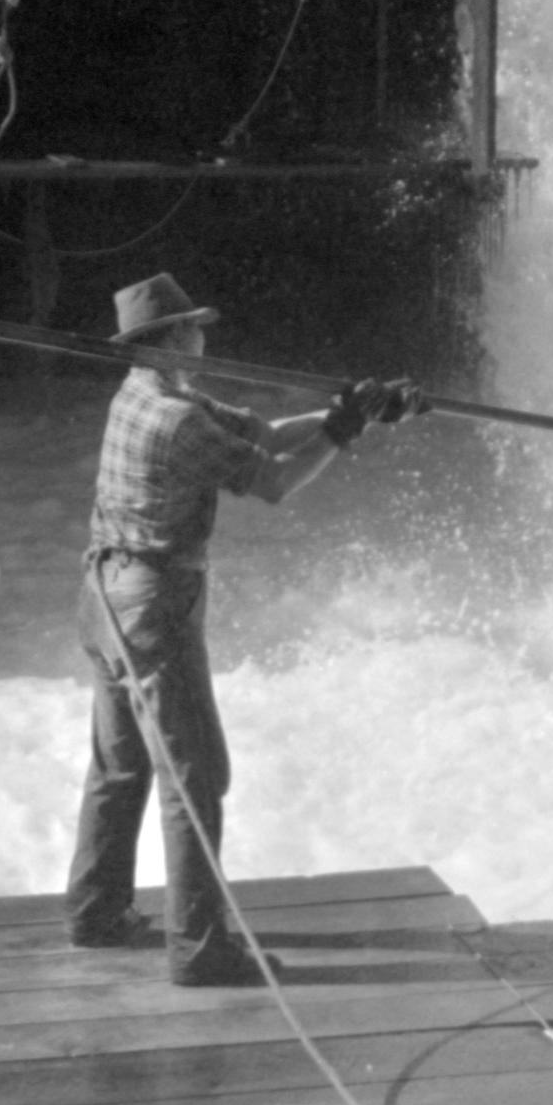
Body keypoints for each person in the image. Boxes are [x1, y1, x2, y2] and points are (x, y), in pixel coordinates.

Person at [67, 271, 420, 986]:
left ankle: (96, 913)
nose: (202, 334)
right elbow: (277, 481)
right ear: (170, 339)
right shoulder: (177, 421)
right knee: (197, 776)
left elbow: (261, 433)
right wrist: (344, 435)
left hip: (102, 596)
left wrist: (347, 413)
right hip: (151, 607)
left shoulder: (143, 395)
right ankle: (200, 951)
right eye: (193, 326)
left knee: (122, 764)